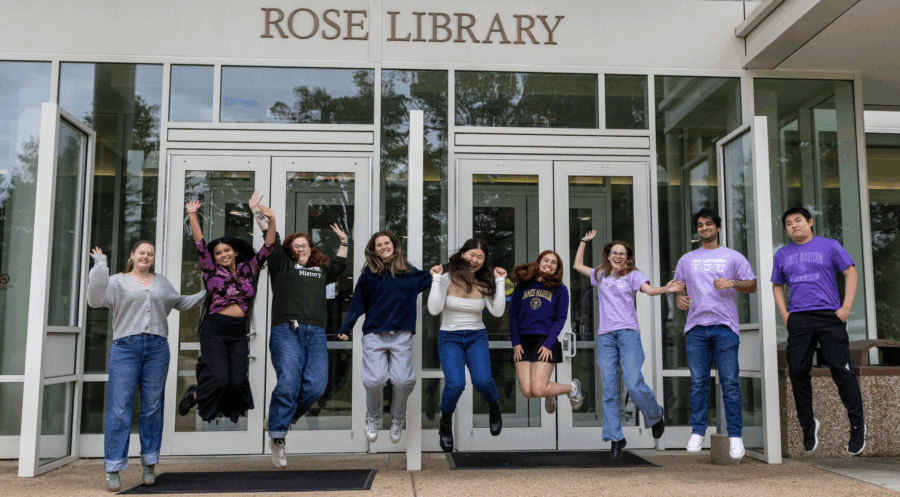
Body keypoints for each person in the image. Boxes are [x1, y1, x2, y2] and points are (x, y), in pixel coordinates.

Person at [88, 242, 206, 492]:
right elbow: (95, 299)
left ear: (153, 259)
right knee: (120, 409)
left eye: (150, 254)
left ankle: (150, 462)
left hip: (157, 348)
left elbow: (182, 302)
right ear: (132, 255)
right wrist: (100, 266)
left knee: (152, 407)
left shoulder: (161, 281)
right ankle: (113, 467)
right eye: (141, 252)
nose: (145, 256)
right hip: (125, 348)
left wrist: (211, 291)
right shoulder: (117, 281)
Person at [248, 192, 349, 468]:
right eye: (296, 245)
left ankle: (281, 416)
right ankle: (278, 437)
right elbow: (271, 239)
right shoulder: (282, 264)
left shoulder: (321, 269)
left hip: (315, 333)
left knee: (316, 386)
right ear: (290, 249)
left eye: (305, 245)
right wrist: (261, 214)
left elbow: (340, 264)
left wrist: (344, 241)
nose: (301, 248)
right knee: (289, 381)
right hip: (286, 331)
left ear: (311, 248)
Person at [574, 233, 683, 460]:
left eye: (622, 254)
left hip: (628, 334)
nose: (618, 256)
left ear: (628, 258)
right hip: (606, 337)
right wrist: (584, 242)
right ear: (608, 256)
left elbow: (649, 290)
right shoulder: (601, 275)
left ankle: (654, 415)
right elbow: (576, 265)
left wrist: (666, 289)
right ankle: (616, 438)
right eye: (614, 253)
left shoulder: (634, 276)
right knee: (610, 389)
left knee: (633, 382)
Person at [773, 207, 866, 455]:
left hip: (829, 316)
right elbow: (777, 285)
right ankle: (807, 424)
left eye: (798, 221)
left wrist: (846, 307)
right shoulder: (782, 254)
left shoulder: (829, 245)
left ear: (810, 222)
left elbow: (851, 272)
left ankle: (857, 426)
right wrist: (785, 314)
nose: (794, 226)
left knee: (841, 369)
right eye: (789, 223)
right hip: (799, 319)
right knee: (797, 371)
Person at [177, 195, 276, 426]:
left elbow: (268, 247)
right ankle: (193, 395)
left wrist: (271, 220)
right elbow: (200, 244)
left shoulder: (250, 268)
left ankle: (199, 396)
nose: (222, 254)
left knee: (235, 382)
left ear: (235, 252)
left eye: (226, 250)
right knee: (220, 379)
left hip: (238, 332)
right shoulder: (210, 270)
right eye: (218, 252)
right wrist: (192, 214)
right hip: (215, 330)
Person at [675, 208, 757, 460]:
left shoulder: (733, 256)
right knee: (698, 383)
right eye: (700, 225)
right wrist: (680, 298)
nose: (704, 228)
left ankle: (735, 435)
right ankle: (698, 430)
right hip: (696, 329)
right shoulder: (686, 259)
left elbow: (752, 284)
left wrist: (732, 283)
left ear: (718, 228)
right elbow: (679, 287)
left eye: (709, 224)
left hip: (725, 327)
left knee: (730, 383)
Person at [337, 230, 432, 445]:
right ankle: (373, 417)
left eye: (386, 243)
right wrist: (347, 326)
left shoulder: (408, 272)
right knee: (374, 380)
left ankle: (397, 419)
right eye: (378, 245)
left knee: (403, 380)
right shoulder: (369, 274)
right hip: (374, 334)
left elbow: (431, 277)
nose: (383, 247)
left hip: (401, 335)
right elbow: (358, 303)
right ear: (374, 250)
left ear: (394, 245)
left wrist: (451, 265)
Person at [427, 239, 507, 452]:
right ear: (462, 254)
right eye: (472, 255)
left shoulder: (485, 281)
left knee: (483, 380)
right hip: (449, 337)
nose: (475, 260)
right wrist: (435, 279)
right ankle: (445, 422)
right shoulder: (446, 278)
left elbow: (498, 312)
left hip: (476, 336)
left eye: (480, 257)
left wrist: (499, 282)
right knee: (456, 384)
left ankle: (494, 405)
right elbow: (434, 309)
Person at [508, 250, 584, 417]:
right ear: (539, 262)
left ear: (557, 268)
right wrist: (516, 343)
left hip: (544, 341)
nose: (549, 264)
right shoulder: (523, 285)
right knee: (528, 391)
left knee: (539, 388)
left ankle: (572, 389)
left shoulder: (560, 289)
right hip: (522, 341)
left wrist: (549, 344)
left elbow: (561, 319)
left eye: (553, 263)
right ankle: (551, 393)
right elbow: (512, 315)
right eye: (546, 260)